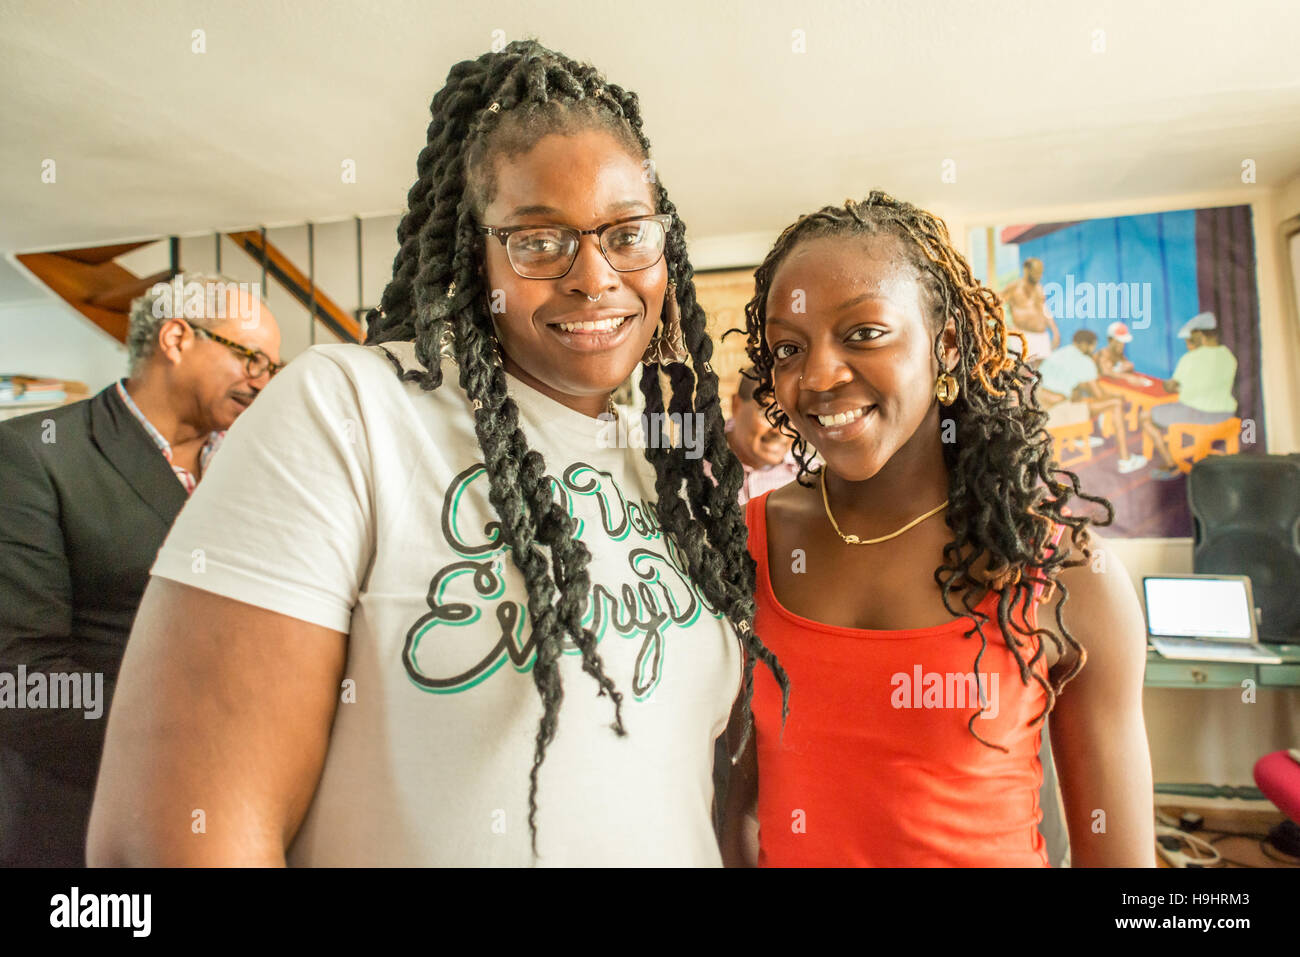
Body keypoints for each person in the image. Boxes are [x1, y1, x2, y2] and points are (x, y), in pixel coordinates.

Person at [88, 41, 786, 867]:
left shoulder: (663, 460)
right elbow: (171, 838)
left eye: (628, 234)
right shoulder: (348, 409)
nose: (594, 276)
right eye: (538, 241)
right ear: (474, 250)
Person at [722, 192, 1154, 867]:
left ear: (946, 343)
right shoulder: (739, 549)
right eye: (788, 347)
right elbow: (733, 809)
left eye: (864, 333)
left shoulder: (1065, 572)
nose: (818, 376)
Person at [0, 274, 279, 866]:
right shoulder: (34, 454)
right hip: (82, 815)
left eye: (273, 366)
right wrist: (203, 743)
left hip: (240, 817)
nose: (263, 379)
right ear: (177, 338)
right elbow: (22, 676)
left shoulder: (255, 467)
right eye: (251, 356)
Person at [1140, 312, 1238, 480]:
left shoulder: (1190, 358)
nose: (1188, 342)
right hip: (1226, 414)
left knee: (1145, 416)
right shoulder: (1228, 356)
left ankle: (1172, 465)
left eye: (1191, 337)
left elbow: (1172, 386)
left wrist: (1167, 385)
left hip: (1197, 414)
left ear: (1199, 335)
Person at [1038, 329, 1147, 473]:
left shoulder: (1060, 353)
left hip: (1038, 411)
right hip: (1056, 416)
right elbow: (1099, 396)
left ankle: (1078, 438)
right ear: (1087, 345)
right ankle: (1125, 460)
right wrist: (1117, 396)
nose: (1094, 349)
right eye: (1093, 346)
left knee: (1078, 396)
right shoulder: (1085, 362)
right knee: (1115, 403)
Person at [726, 368, 798, 505]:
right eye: (768, 413)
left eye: (791, 416)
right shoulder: (690, 469)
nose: (779, 430)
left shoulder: (812, 478)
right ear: (736, 405)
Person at [1000, 257, 1060, 362]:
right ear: (1026, 270)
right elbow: (996, 305)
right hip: (1023, 335)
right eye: (1036, 271)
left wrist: (1055, 331)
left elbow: (1044, 309)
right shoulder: (1014, 287)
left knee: (1040, 373)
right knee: (1022, 370)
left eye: (1040, 272)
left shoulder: (1039, 288)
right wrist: (1006, 325)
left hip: (1041, 336)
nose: (1039, 275)